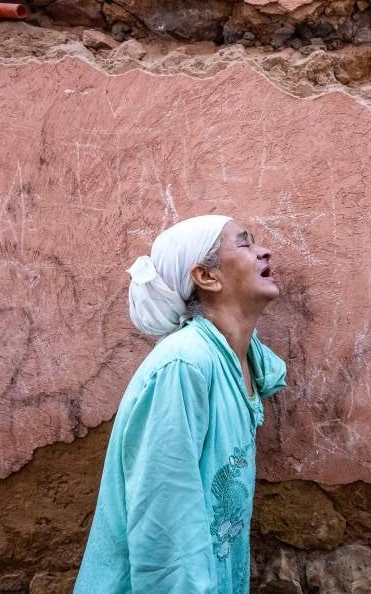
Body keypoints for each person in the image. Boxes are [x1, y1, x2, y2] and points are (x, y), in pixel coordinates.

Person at [74, 215, 286, 594]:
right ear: (207, 277)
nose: (263, 251)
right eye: (245, 243)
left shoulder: (238, 361)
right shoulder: (184, 365)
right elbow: (165, 525)